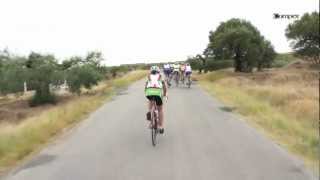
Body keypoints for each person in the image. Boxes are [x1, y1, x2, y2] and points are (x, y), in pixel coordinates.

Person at [145, 66, 167, 133]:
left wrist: (146, 93)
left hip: (149, 92)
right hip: (158, 93)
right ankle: (160, 126)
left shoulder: (148, 77)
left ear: (151, 72)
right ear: (158, 71)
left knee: (150, 100)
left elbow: (145, 87)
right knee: (160, 109)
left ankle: (150, 112)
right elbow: (165, 87)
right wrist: (165, 94)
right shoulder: (160, 76)